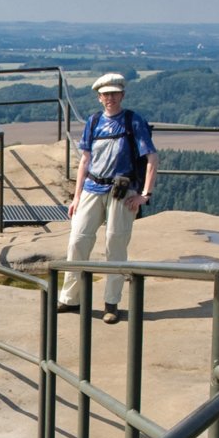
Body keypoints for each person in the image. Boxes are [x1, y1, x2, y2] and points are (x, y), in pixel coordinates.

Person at [62, 72, 157, 322]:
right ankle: (70, 299)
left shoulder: (133, 122)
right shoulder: (93, 122)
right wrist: (76, 196)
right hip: (93, 188)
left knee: (115, 247)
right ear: (99, 97)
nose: (110, 98)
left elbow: (152, 159)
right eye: (106, 94)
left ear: (122, 95)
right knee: (77, 241)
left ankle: (111, 304)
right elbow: (85, 160)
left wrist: (145, 194)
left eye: (114, 93)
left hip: (123, 192)